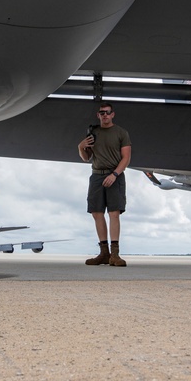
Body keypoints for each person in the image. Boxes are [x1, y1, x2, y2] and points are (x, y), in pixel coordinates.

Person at [77, 101, 132, 266]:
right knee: (96, 213)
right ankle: (104, 253)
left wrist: (115, 174)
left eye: (108, 112)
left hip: (115, 175)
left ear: (112, 114)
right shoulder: (93, 133)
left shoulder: (121, 133)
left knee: (114, 213)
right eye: (102, 113)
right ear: (98, 115)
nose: (105, 115)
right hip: (96, 176)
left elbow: (126, 158)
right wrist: (80, 147)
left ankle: (115, 255)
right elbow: (87, 158)